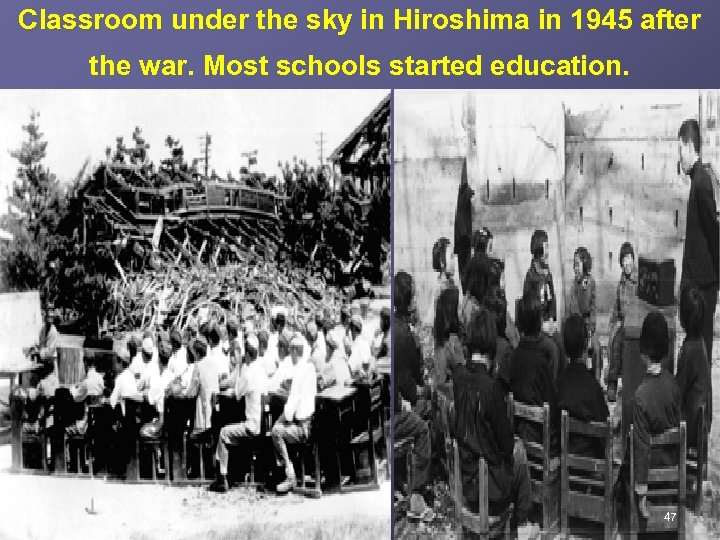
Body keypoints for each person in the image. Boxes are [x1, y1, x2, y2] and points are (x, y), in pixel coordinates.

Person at [453, 308, 532, 534]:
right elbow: (506, 446)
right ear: (492, 346)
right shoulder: (491, 389)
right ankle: (523, 523)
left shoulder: (458, 378)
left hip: (466, 484)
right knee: (520, 451)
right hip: (491, 491)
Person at [678, 119, 718, 434]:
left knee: (701, 355)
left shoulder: (703, 183)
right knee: (697, 353)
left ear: (689, 146)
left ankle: (702, 424)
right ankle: (699, 420)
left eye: (679, 148)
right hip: (700, 281)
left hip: (704, 284)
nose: (678, 155)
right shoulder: (698, 179)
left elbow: (714, 233)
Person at [628, 312, 680, 520]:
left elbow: (641, 446)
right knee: (669, 514)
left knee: (626, 469)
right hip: (672, 475)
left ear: (642, 352)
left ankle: (647, 520)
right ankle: (669, 519)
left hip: (651, 477)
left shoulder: (641, 395)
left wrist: (641, 491)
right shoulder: (673, 384)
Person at [498, 292, 559, 457]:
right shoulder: (541, 360)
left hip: (518, 434)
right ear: (539, 323)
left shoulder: (514, 355)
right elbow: (551, 402)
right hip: (540, 438)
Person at [393, 270, 433, 518]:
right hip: (401, 406)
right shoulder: (404, 335)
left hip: (398, 401)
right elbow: (411, 387)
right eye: (415, 297)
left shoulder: (400, 328)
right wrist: (426, 388)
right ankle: (418, 493)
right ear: (408, 300)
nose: (417, 301)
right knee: (425, 424)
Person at [210, 335, 267, 493]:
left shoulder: (248, 375)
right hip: (260, 423)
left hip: (251, 426)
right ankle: (232, 471)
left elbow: (234, 394)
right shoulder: (260, 371)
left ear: (247, 355)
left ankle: (222, 478)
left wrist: (219, 392)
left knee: (223, 433)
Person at [557, 315, 609, 459]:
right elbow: (605, 430)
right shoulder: (592, 386)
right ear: (586, 344)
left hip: (565, 462)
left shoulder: (560, 382)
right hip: (592, 466)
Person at [271, 335, 317, 494]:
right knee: (279, 426)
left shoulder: (299, 374)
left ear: (295, 351)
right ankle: (286, 469)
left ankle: (289, 473)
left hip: (302, 429)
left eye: (291, 351)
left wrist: (281, 420)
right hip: (310, 423)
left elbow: (290, 410)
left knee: (276, 431)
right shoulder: (310, 368)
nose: (290, 354)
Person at [676, 286, 712, 449]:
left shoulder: (689, 351)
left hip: (691, 424)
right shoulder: (699, 342)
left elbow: (678, 391)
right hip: (700, 420)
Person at [607, 242, 637, 401]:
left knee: (626, 343)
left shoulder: (638, 282)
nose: (626, 263)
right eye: (624, 259)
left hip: (636, 326)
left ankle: (628, 384)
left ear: (633, 259)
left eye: (629, 258)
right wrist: (612, 326)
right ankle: (611, 382)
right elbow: (616, 309)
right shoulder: (621, 284)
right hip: (623, 324)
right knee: (615, 341)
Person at [568, 247, 600, 376]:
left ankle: (597, 380)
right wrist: (583, 330)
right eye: (574, 265)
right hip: (578, 325)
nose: (575, 268)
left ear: (585, 264)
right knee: (583, 350)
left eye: (577, 265)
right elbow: (574, 309)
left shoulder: (591, 283)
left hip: (589, 325)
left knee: (597, 348)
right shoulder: (574, 285)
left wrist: (591, 330)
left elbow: (593, 307)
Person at [433, 286, 464, 386]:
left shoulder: (440, 338)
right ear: (452, 310)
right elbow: (462, 371)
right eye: (458, 307)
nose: (461, 310)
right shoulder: (453, 342)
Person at [454, 171, 474, 295]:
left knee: (464, 269)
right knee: (464, 268)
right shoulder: (462, 198)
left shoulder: (461, 198)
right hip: (463, 238)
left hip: (463, 237)